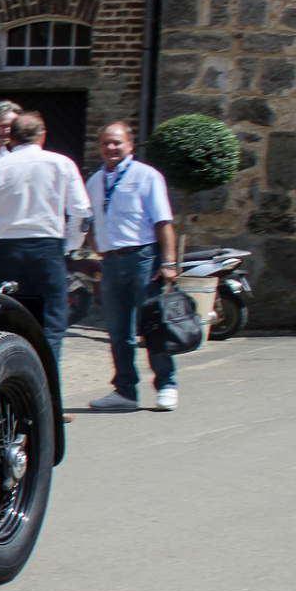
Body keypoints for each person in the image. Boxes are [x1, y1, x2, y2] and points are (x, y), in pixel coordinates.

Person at [0, 111, 90, 361]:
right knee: (51, 323)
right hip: (47, 249)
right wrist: (69, 246)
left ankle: (12, 376)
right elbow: (81, 212)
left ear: (11, 138)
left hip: (6, 252)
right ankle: (47, 381)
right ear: (42, 135)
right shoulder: (62, 164)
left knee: (10, 321)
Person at [83, 122, 180, 411]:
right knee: (117, 331)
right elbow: (88, 219)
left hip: (143, 258)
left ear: (130, 145)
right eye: (105, 143)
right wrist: (94, 243)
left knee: (153, 325)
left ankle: (166, 384)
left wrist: (169, 262)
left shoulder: (146, 176)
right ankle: (125, 391)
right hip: (111, 262)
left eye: (117, 142)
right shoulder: (94, 182)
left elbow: (163, 221)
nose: (111, 148)